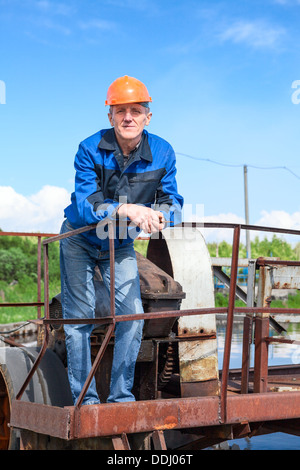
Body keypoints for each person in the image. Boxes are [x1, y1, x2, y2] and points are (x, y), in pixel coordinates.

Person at [60, 75, 183, 405]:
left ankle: (120, 398)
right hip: (80, 239)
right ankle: (85, 400)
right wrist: (127, 208)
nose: (128, 117)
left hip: (121, 245)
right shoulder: (89, 149)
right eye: (120, 110)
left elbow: (172, 201)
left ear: (147, 117)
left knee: (131, 315)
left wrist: (162, 216)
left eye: (136, 110)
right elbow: (87, 205)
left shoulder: (163, 152)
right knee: (80, 318)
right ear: (110, 116)